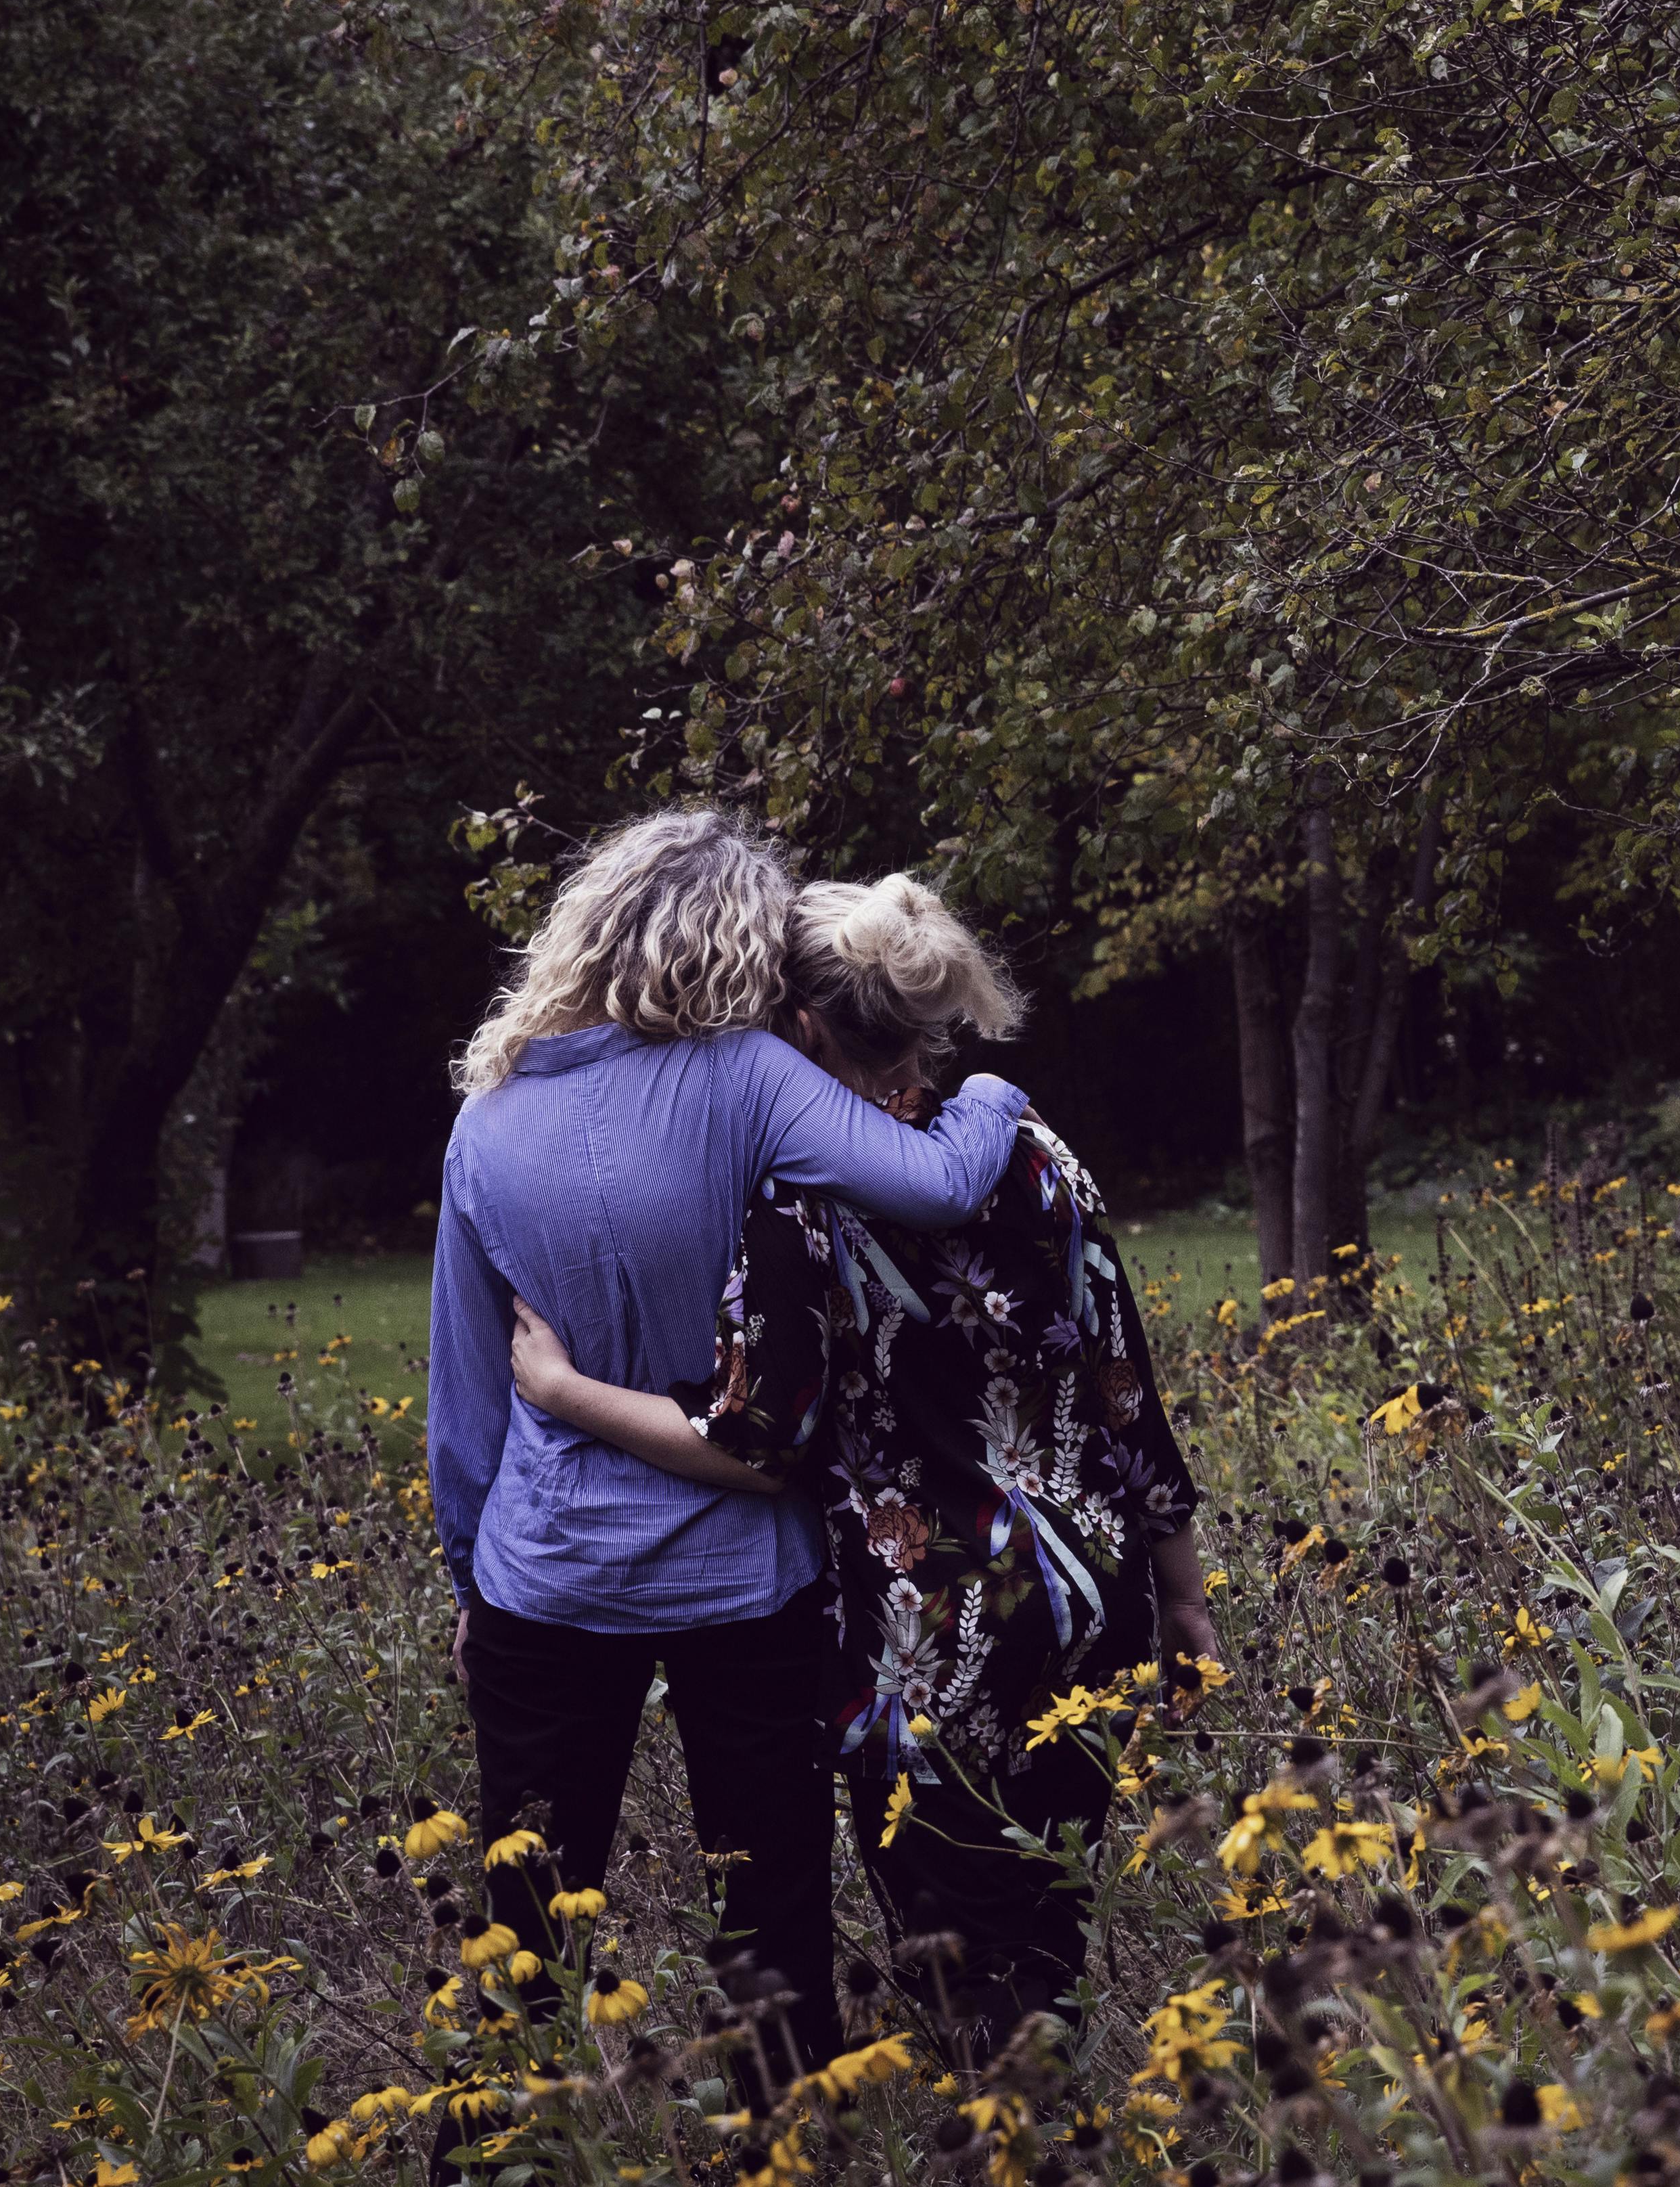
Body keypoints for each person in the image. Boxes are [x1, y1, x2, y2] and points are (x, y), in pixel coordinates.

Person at [510, 871, 1217, 2062]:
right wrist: (1185, 1590)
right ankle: (1056, 2115)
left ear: (797, 1031)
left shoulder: (799, 1203)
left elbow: (755, 1443)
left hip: (929, 1640)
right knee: (1048, 1925)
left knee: (959, 1962)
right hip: (1091, 1602)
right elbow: (1124, 1385)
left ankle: (1016, 2134)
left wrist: (563, 1391)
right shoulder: (1036, 1149)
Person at [427, 808, 1035, 2103]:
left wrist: (465, 1583)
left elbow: (468, 1402)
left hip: (545, 1569)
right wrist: (991, 1089)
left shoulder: (486, 1117)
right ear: (728, 942)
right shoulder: (745, 1081)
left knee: (522, 1929)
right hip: (739, 1575)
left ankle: (497, 2151)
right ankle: (782, 2143)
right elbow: (936, 1182)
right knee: (770, 1935)